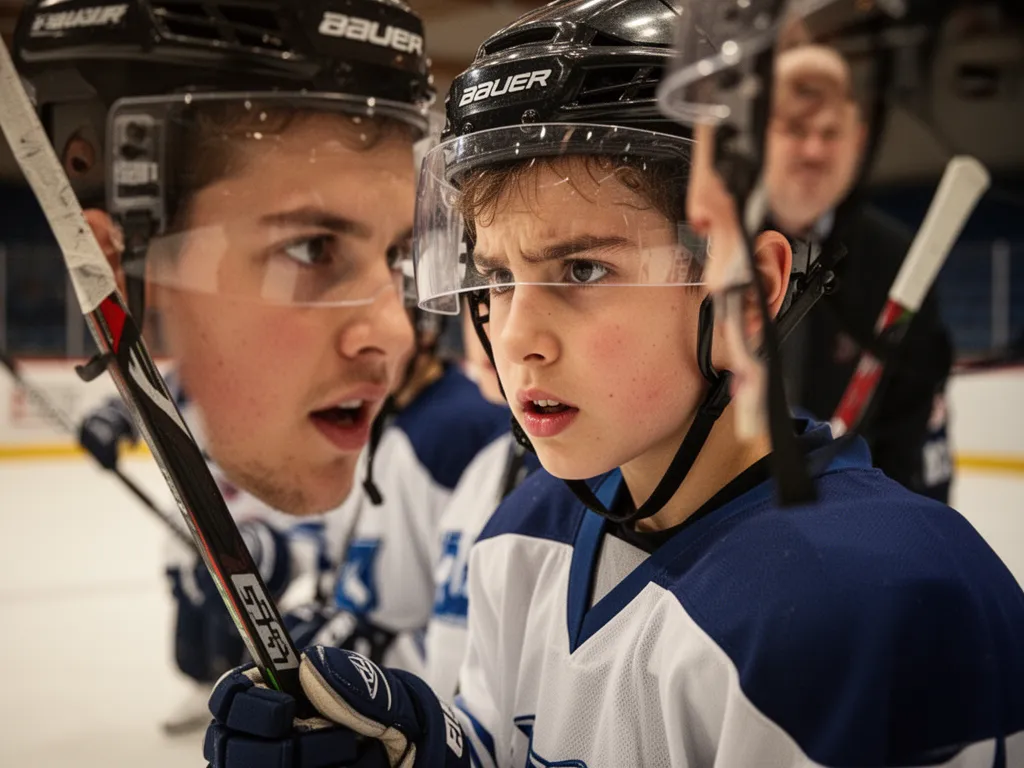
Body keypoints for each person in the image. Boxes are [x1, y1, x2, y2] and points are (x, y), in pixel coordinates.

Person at [199, 2, 1024, 767]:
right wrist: (424, 749)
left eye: (583, 269)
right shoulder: (524, 533)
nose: (516, 336)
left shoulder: (877, 608)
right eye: (495, 277)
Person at [13, 0, 432, 735]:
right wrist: (111, 418)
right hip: (234, 497)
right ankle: (210, 674)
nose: (394, 334)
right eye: (311, 251)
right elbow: (173, 384)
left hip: (266, 518)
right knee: (189, 585)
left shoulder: (410, 440)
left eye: (397, 257)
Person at [764, 47, 955, 501]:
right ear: (760, 136)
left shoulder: (896, 258)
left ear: (859, 140)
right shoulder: (708, 244)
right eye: (795, 129)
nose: (813, 149)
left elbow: (910, 428)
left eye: (830, 133)